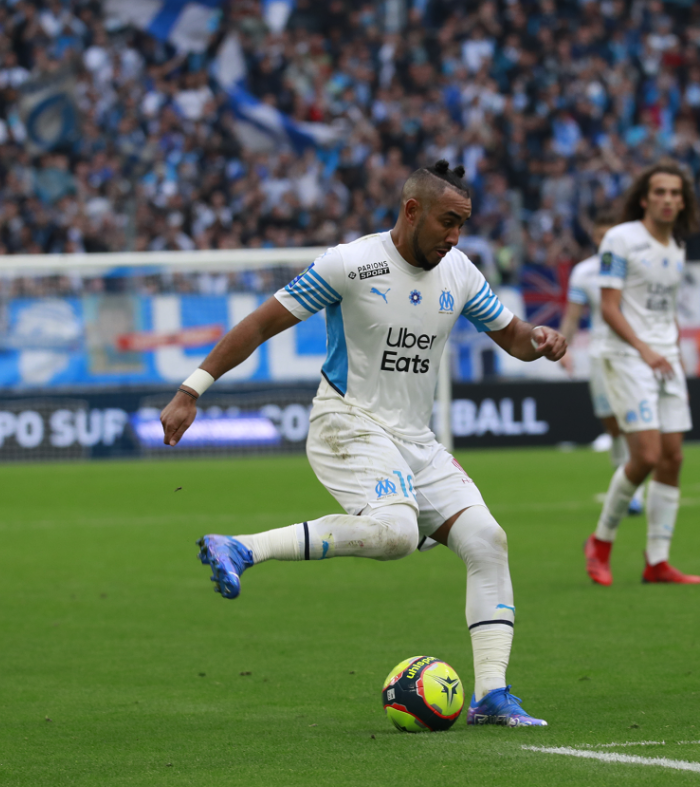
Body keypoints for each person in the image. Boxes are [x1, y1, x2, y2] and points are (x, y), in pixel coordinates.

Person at [161, 161, 567, 728]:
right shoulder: (351, 263)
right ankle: (242, 547)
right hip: (346, 422)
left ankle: (493, 696)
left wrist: (540, 340)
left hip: (414, 439)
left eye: (462, 226)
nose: (455, 237)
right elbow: (258, 324)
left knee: (487, 540)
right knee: (397, 533)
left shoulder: (461, 273)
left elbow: (514, 338)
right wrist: (191, 389)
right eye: (448, 222)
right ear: (412, 210)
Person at [585, 161, 700, 586]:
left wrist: (670, 350)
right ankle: (600, 542)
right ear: (644, 198)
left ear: (682, 201)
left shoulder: (676, 247)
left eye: (676, 193)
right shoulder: (620, 239)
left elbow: (665, 311)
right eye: (660, 192)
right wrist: (645, 349)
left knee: (673, 458)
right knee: (646, 456)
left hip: (664, 358)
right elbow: (610, 307)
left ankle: (657, 561)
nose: (669, 199)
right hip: (629, 356)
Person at [560, 211, 644, 515]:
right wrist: (563, 348)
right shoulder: (584, 272)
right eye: (600, 236)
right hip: (600, 354)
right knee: (612, 425)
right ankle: (624, 479)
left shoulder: (635, 268)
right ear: (594, 238)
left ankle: (634, 492)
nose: (604, 241)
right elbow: (572, 317)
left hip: (634, 353)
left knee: (633, 421)